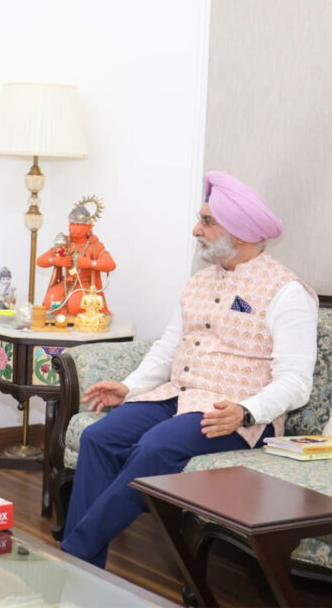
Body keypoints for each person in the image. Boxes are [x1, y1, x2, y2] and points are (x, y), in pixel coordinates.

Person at [61, 171, 318, 568]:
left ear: (239, 232)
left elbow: (297, 382)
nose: (196, 229)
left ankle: (72, 559)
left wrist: (247, 411)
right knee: (99, 437)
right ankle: (87, 570)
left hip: (233, 414)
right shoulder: (198, 282)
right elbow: (169, 348)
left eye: (207, 221)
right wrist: (130, 387)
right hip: (178, 396)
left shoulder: (287, 292)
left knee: (155, 447)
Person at [36, 198, 116, 315]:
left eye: (79, 225)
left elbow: (111, 264)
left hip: (84, 285)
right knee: (50, 304)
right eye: (72, 224)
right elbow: (40, 261)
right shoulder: (64, 243)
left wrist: (89, 263)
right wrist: (55, 260)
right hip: (66, 283)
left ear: (89, 227)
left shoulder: (94, 246)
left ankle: (72, 314)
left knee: (76, 306)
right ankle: (61, 317)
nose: (74, 228)